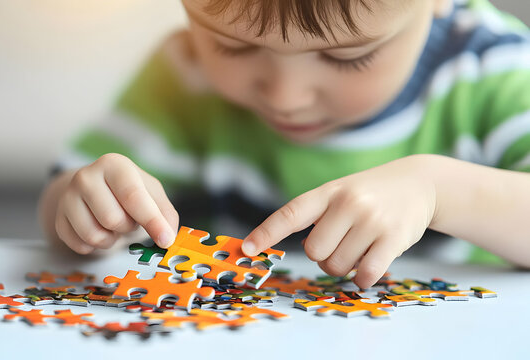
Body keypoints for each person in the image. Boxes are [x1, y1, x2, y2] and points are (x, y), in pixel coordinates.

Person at [39, 0, 530, 288]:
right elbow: (61, 201)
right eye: (233, 46)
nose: (285, 97)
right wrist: (85, 208)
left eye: (347, 57)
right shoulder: (182, 75)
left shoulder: (495, 71)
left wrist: (439, 192)